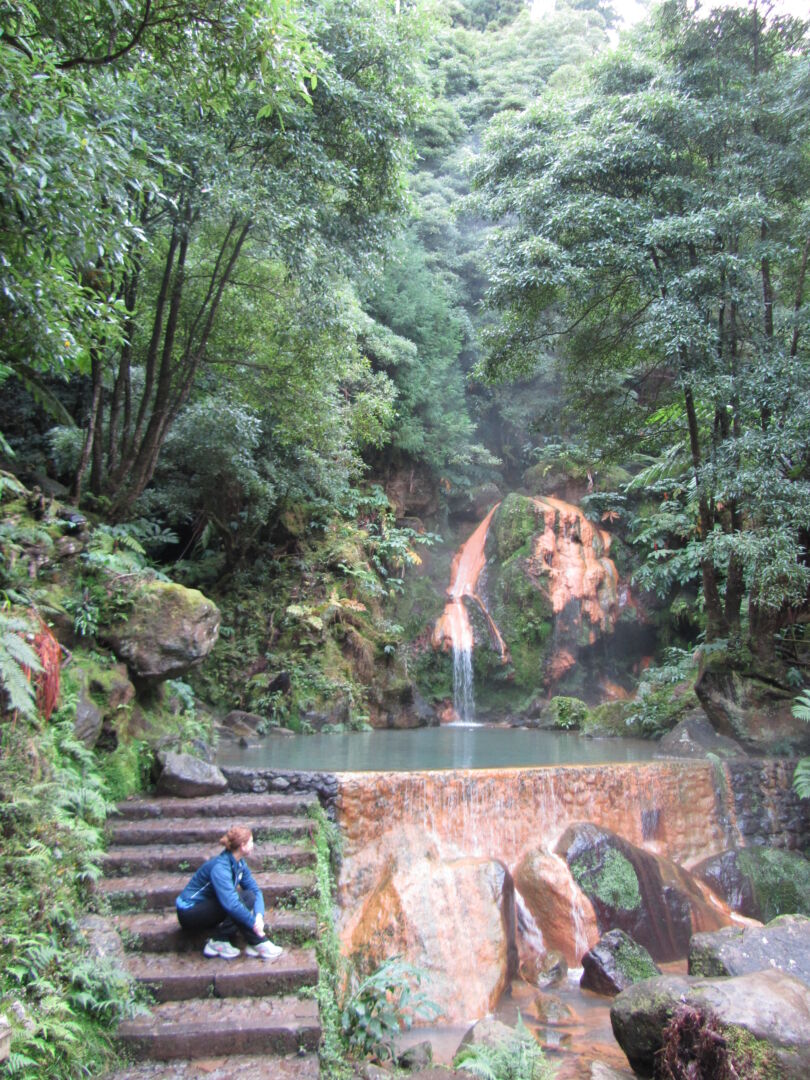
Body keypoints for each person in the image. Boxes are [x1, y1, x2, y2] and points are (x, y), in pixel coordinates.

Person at [175, 825, 283, 960]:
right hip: (189, 913)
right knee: (235, 901)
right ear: (242, 846)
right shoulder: (220, 867)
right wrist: (254, 926)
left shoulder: (239, 864)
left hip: (210, 906)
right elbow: (231, 904)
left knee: (249, 896)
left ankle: (240, 941)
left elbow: (255, 891)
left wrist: (259, 916)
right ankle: (255, 942)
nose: (253, 845)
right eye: (251, 842)